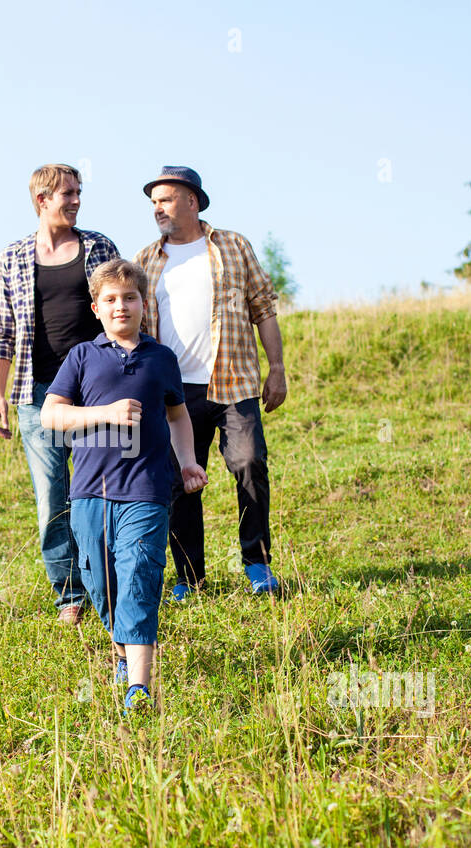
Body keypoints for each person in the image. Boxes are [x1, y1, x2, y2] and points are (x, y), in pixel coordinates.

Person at [41, 259, 207, 712]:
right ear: (96, 308)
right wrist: (105, 413)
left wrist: (188, 463)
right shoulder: (81, 357)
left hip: (147, 489)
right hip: (90, 490)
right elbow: (51, 416)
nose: (121, 307)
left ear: (143, 304)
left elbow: (177, 414)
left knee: (139, 574)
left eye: (129, 298)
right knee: (100, 581)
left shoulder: (161, 358)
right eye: (111, 300)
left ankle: (139, 685)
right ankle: (120, 646)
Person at [133, 166, 288, 598]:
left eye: (164, 199)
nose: (157, 209)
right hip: (174, 393)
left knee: (249, 464)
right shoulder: (146, 260)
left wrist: (276, 368)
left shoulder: (233, 245)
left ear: (192, 200)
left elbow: (264, 308)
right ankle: (189, 578)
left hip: (234, 382)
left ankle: (257, 565)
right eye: (153, 203)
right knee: (180, 482)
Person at [0, 164, 121, 625]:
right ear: (42, 200)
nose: (76, 200)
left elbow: (122, 308)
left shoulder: (99, 247)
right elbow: (1, 331)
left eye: (79, 192)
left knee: (101, 493)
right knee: (52, 498)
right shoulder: (13, 257)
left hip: (94, 391)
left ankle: (110, 579)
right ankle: (69, 593)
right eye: (68, 194)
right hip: (35, 394)